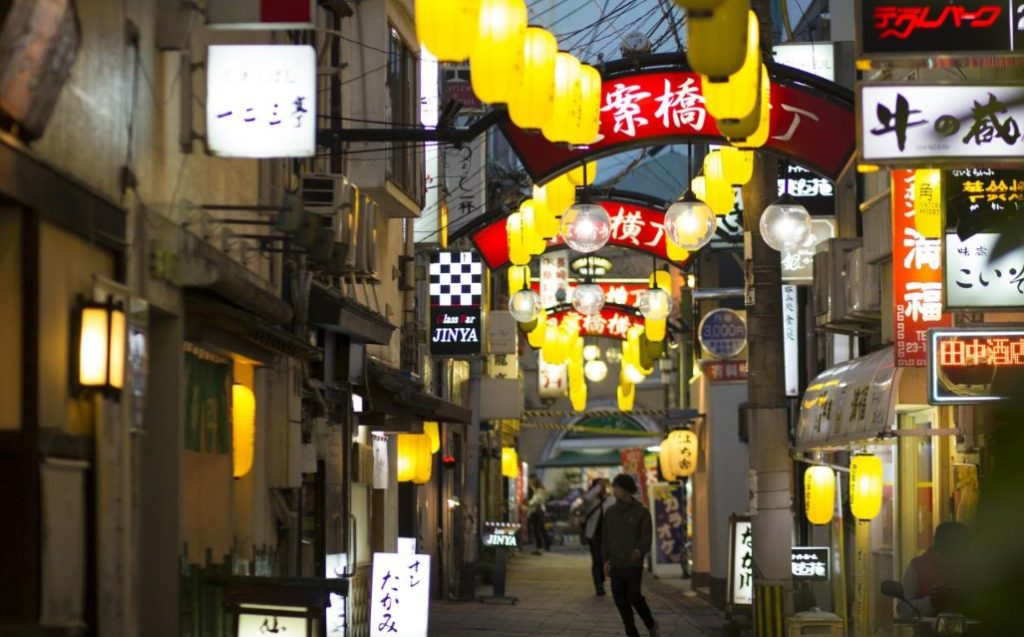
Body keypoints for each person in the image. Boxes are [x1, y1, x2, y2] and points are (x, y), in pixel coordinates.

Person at [603, 474, 659, 637]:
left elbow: (646, 536)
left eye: (617, 487)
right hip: (615, 563)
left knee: (634, 595)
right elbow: (605, 537)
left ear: (627, 489)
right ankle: (631, 632)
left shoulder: (641, 512)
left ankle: (650, 623)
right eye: (614, 487)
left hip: (633, 564)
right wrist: (605, 560)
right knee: (620, 600)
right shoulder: (610, 512)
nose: (614, 491)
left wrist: (640, 550)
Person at [898, 521, 970, 619]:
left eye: (958, 555)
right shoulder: (918, 567)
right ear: (937, 550)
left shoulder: (973, 567)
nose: (952, 562)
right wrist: (932, 602)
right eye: (949, 555)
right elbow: (903, 609)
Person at [578, 477, 616, 595]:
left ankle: (606, 580)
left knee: (608, 559)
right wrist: (596, 489)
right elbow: (585, 499)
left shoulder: (610, 499)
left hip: (608, 535)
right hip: (593, 534)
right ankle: (599, 585)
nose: (602, 487)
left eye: (603, 485)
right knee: (596, 560)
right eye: (598, 485)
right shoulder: (591, 500)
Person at [525, 474, 550, 555]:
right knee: (541, 529)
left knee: (537, 530)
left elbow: (536, 501)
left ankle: (539, 548)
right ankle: (547, 544)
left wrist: (528, 503)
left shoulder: (539, 491)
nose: (529, 483)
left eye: (531, 482)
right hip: (539, 512)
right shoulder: (538, 490)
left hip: (537, 513)